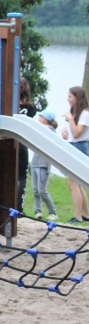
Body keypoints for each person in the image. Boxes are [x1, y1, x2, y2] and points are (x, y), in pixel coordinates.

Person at [59, 86, 89, 224]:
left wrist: (70, 119)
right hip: (74, 146)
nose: (68, 99)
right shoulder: (77, 113)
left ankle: (77, 217)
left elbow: (77, 133)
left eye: (70, 97)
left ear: (78, 98)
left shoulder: (85, 114)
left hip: (79, 147)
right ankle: (85, 214)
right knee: (78, 184)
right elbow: (72, 134)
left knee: (73, 184)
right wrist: (65, 132)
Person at [29, 110, 58, 221]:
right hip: (35, 162)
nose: (38, 119)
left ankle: (53, 212)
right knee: (35, 190)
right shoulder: (41, 129)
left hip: (43, 164)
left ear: (44, 119)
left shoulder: (50, 130)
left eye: (40, 116)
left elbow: (48, 130)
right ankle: (38, 211)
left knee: (42, 190)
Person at [16, 77, 36, 211]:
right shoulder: (31, 108)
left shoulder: (8, 104)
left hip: (9, 141)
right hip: (22, 143)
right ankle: (19, 207)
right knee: (22, 177)